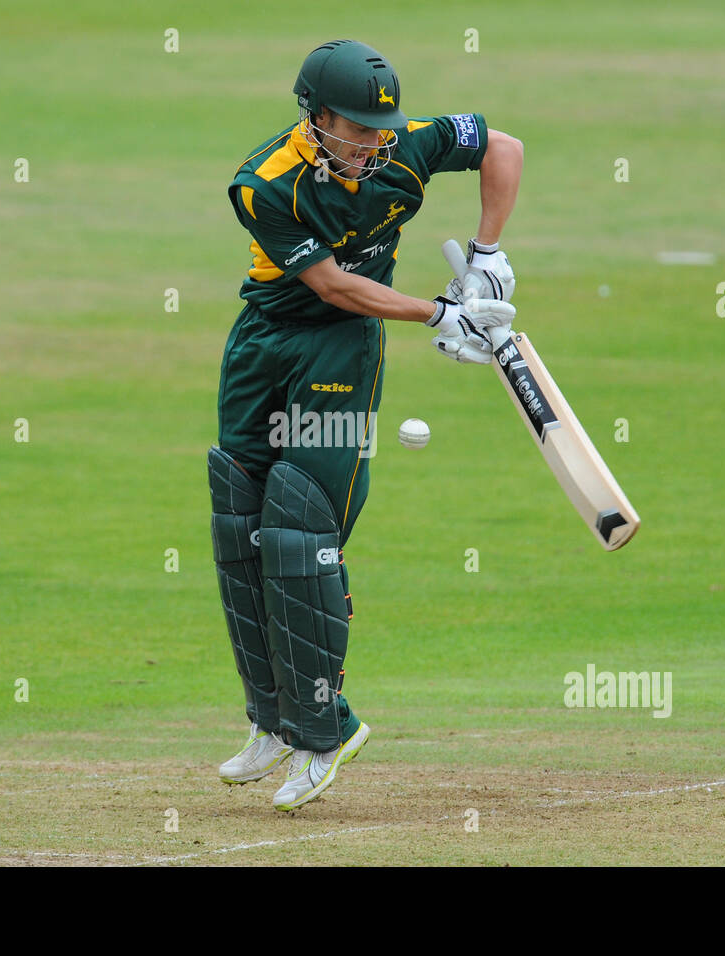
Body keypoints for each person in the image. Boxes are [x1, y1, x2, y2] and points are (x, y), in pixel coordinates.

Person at [208, 39, 523, 811]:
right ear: (314, 120)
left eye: (379, 129)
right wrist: (440, 312)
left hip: (338, 353)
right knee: (239, 523)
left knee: (299, 529)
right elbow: (333, 284)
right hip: (267, 339)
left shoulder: (403, 148)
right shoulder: (265, 184)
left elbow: (503, 147)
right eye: (353, 130)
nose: (370, 145)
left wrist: (487, 254)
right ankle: (274, 722)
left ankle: (325, 733)